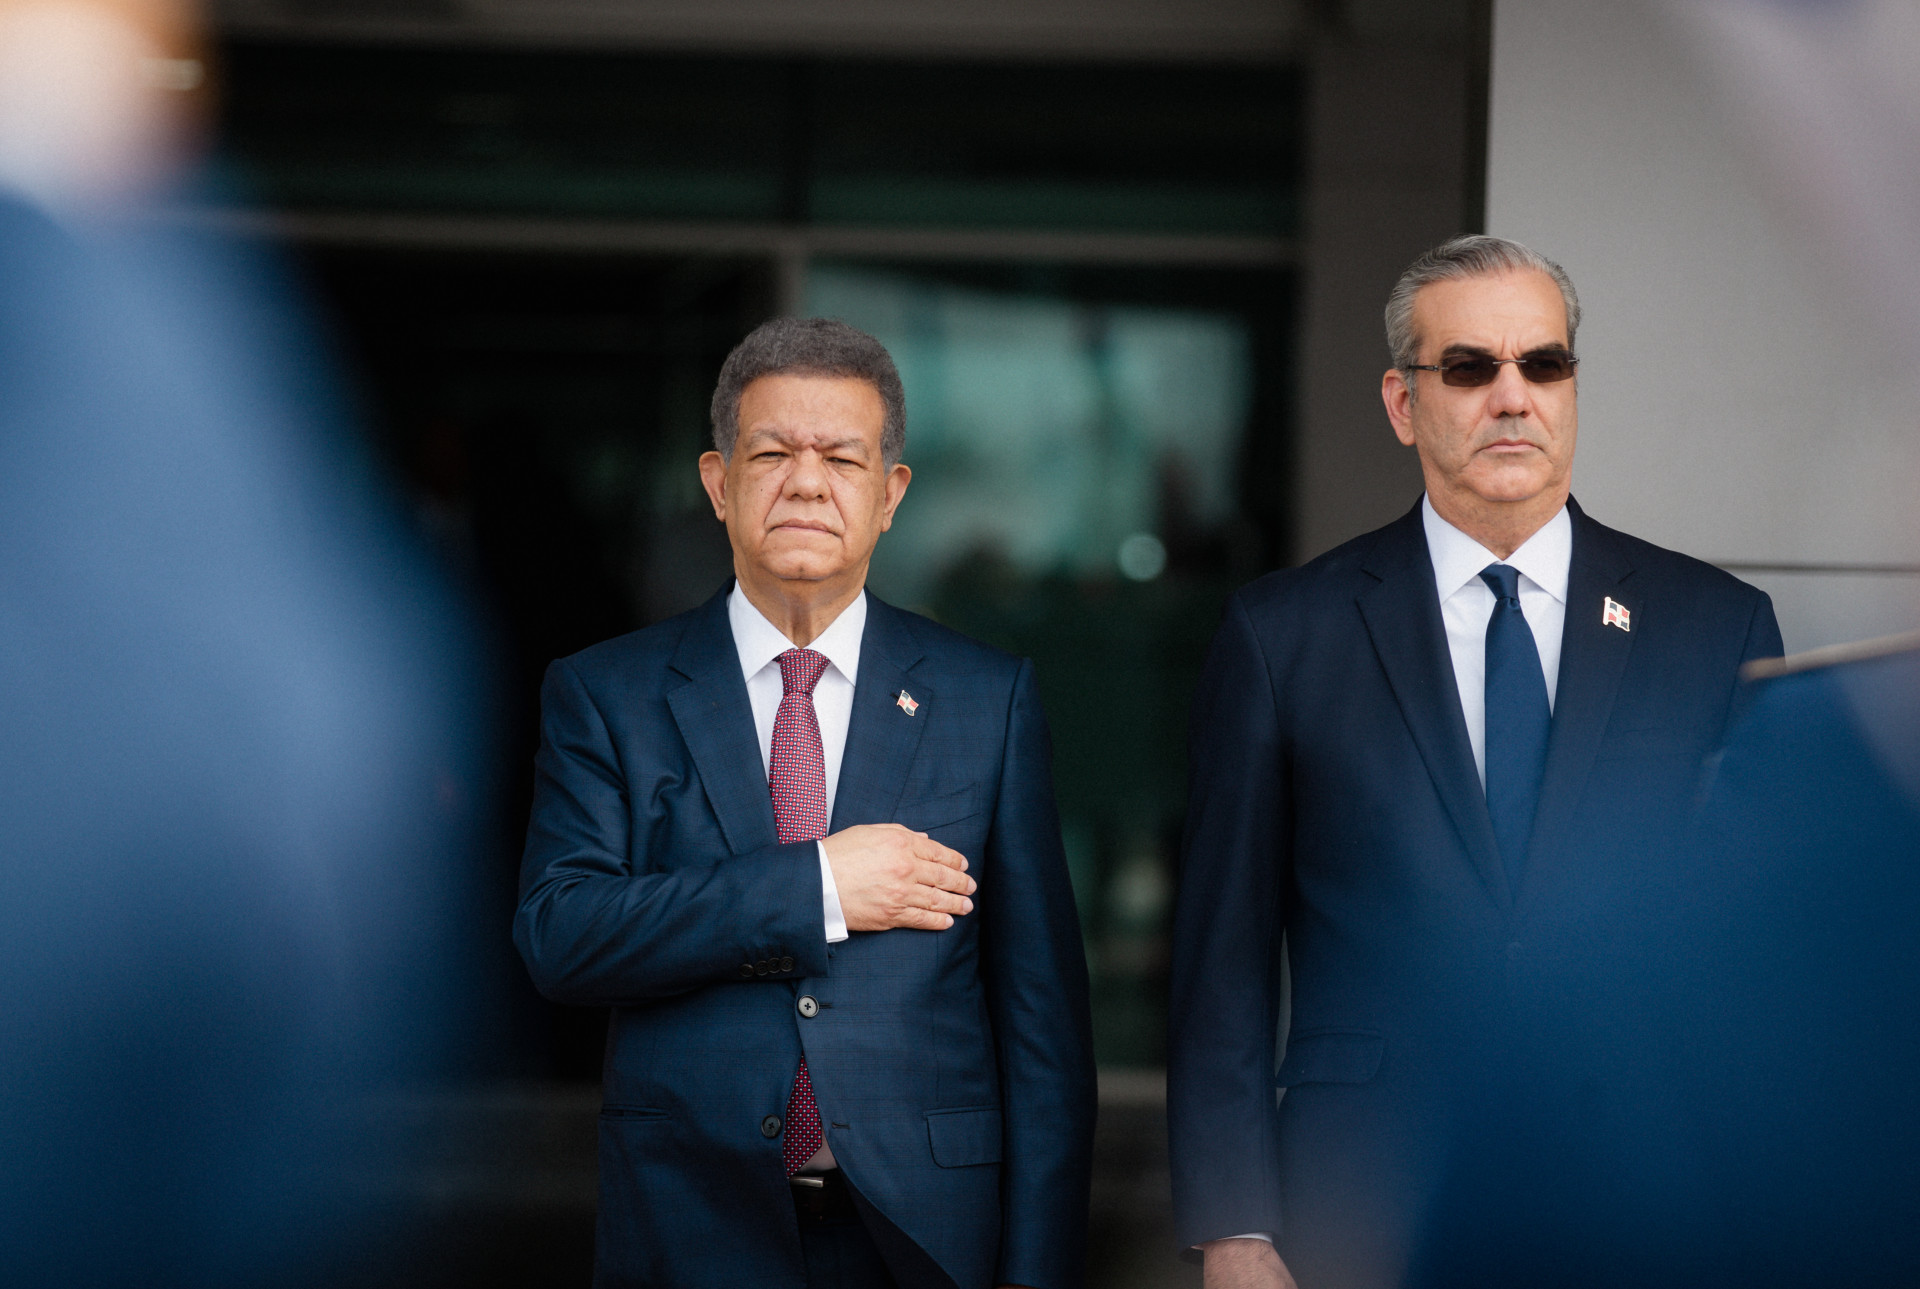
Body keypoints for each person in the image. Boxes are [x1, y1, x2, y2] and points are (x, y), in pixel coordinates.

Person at [1166, 235, 1783, 1289]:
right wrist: (1235, 1226)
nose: (1512, 396)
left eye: (1543, 363)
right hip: (1364, 1205)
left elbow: (1766, 950)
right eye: (1468, 367)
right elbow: (1222, 959)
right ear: (1403, 404)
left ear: (1572, 388)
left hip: (1650, 1196)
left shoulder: (1716, 627)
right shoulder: (1282, 634)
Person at [514, 317, 1095, 1289]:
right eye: (772, 452)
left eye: (842, 457)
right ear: (718, 483)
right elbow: (560, 934)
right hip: (690, 1226)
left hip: (923, 1236)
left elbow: (1043, 1032)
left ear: (890, 494)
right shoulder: (606, 693)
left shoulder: (986, 698)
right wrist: (816, 884)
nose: (808, 482)